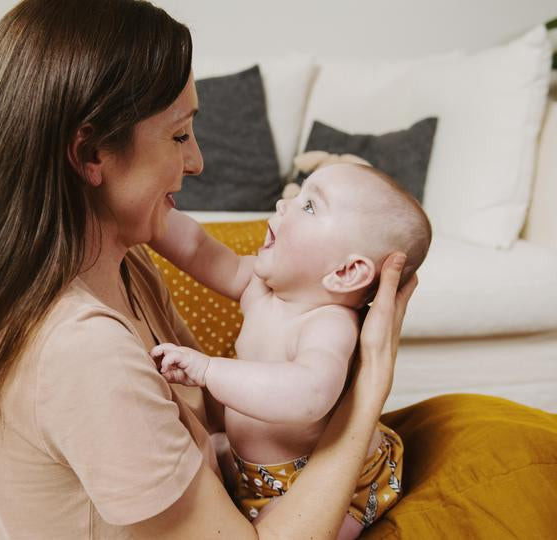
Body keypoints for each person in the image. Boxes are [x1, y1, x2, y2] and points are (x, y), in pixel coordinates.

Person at [0, 0, 418, 538]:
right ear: (90, 152)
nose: (197, 161)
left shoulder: (122, 263)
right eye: (178, 135)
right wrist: (365, 396)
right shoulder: (82, 352)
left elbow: (200, 403)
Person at [148, 163, 432, 538]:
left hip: (328, 481)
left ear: (346, 272)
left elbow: (310, 394)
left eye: (310, 206)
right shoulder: (257, 284)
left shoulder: (327, 323)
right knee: (204, 454)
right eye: (298, 193)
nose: (285, 204)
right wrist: (149, 214)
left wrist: (207, 371)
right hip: (255, 471)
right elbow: (197, 247)